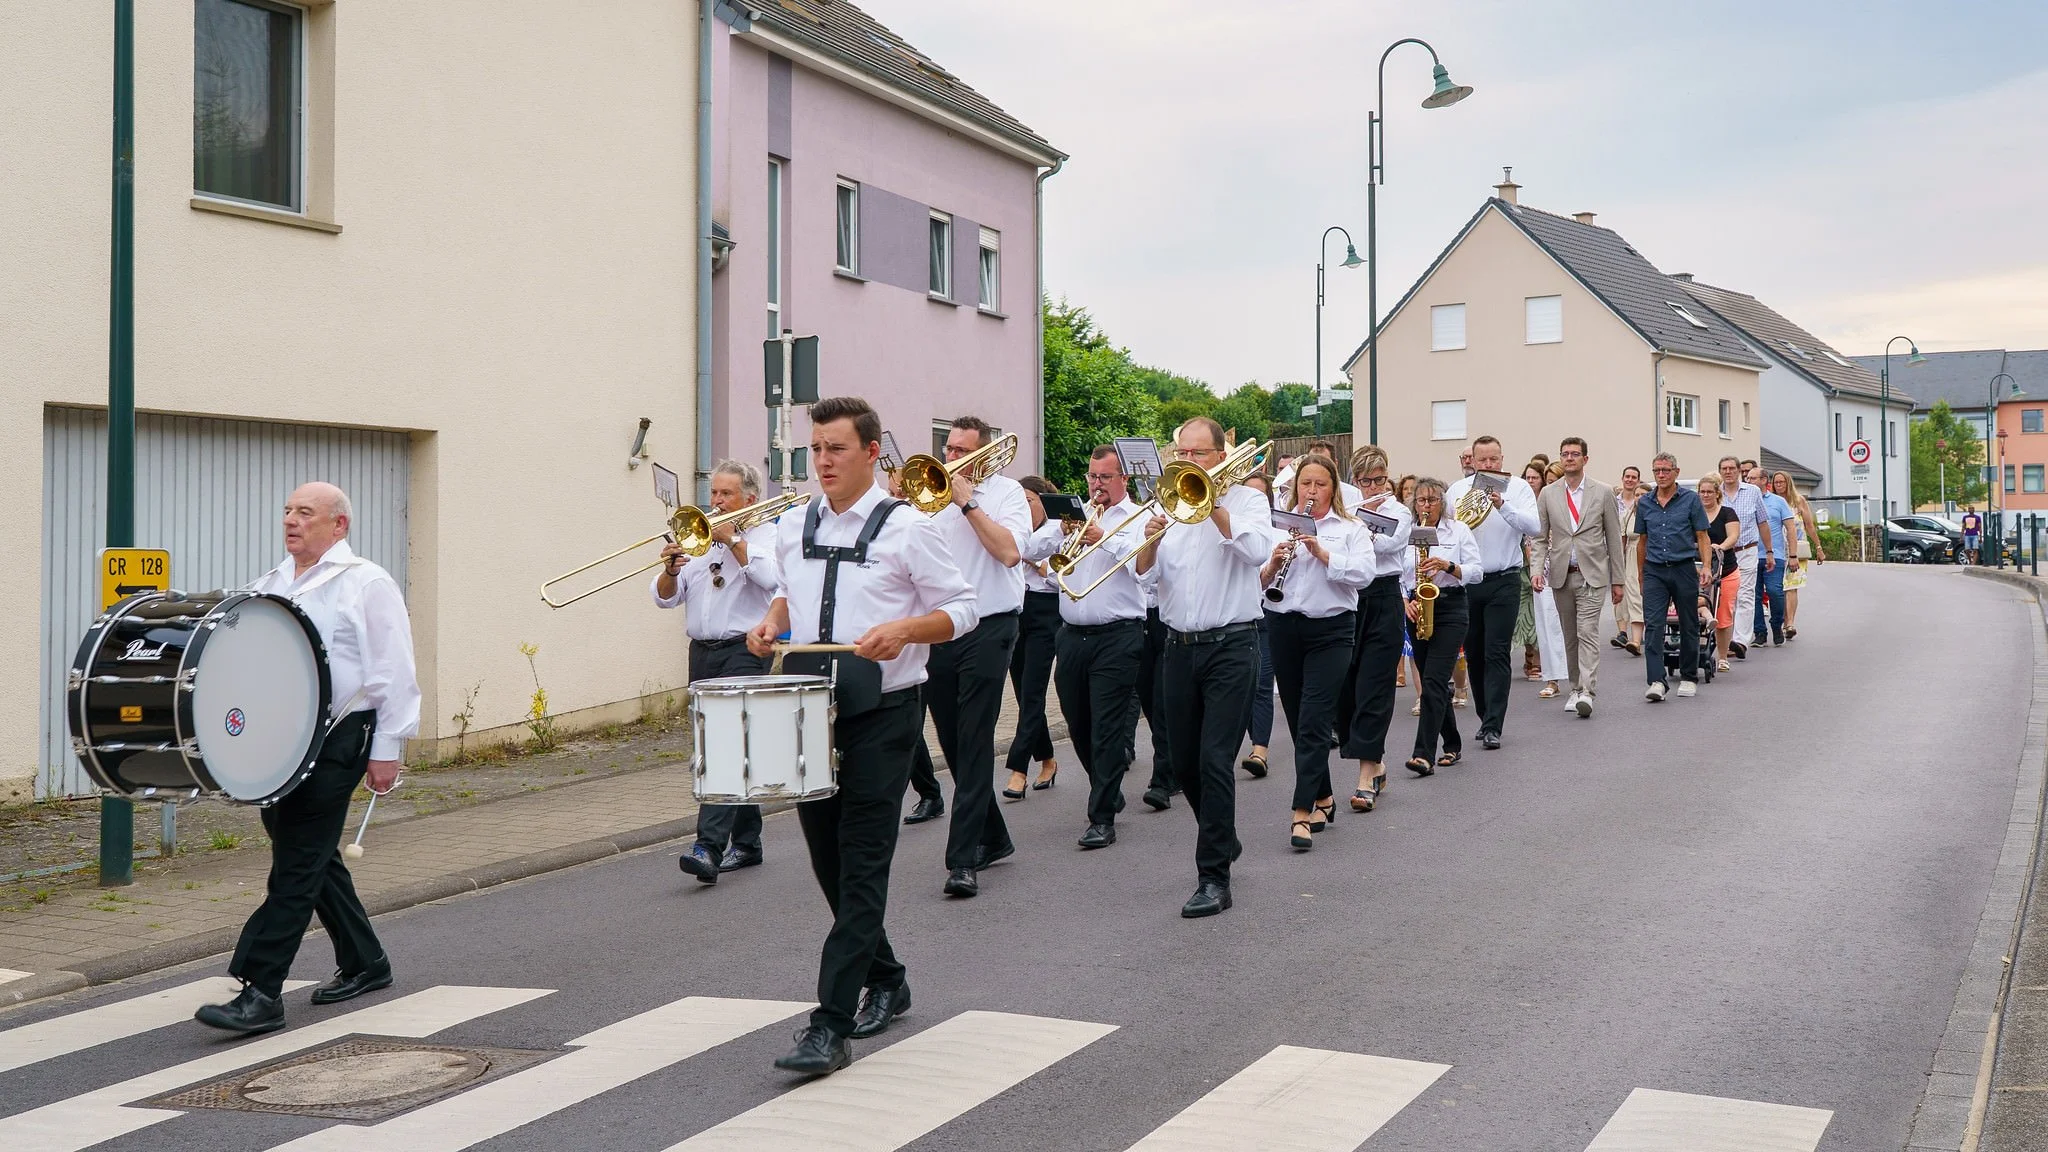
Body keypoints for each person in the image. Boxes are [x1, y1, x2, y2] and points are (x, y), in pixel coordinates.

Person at [745, 395, 976, 1075]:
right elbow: (790, 593)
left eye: (836, 449)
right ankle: (890, 975)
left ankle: (829, 1024)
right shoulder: (792, 525)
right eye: (815, 449)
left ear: (873, 453)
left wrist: (905, 629)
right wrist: (770, 625)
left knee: (864, 864)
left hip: (886, 711)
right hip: (809, 709)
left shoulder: (909, 528)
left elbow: (962, 608)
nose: (823, 461)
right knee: (829, 865)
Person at [195, 483, 420, 1035]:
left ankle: (261, 990)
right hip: (287, 740)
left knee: (297, 859)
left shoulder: (366, 581)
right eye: (288, 512)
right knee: (306, 848)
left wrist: (387, 747)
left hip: (344, 733)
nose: (292, 521)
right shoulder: (271, 583)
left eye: (306, 513)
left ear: (338, 525)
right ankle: (366, 961)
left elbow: (394, 669)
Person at [1134, 418, 1278, 917]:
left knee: (1215, 759)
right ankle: (1223, 836)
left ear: (1222, 455)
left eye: (1199, 455)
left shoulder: (1248, 501)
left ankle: (1213, 876)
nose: (1188, 463)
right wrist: (1151, 537)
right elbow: (1142, 575)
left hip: (1232, 646)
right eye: (1182, 454)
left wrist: (1212, 506)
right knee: (1183, 761)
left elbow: (1258, 551)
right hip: (1178, 646)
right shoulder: (1166, 504)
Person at [657, 460, 781, 885]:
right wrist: (671, 571)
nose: (716, 503)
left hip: (745, 649)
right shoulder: (699, 538)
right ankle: (748, 842)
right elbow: (667, 599)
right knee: (722, 743)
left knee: (727, 742)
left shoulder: (769, 533)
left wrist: (734, 542)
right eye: (714, 494)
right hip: (703, 652)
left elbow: (771, 579)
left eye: (725, 495)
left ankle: (707, 847)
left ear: (749, 498)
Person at [924, 415, 1031, 899]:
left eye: (963, 450)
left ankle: (961, 860)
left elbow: (1008, 553)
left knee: (974, 739)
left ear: (984, 454)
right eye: (948, 450)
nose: (952, 459)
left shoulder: (1006, 495)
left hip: (991, 626)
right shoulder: (930, 496)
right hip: (943, 627)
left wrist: (967, 502)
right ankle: (995, 836)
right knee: (951, 740)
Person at [1261, 455, 1370, 850]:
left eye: (1319, 484)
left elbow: (1363, 575)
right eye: (1305, 483)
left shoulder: (1351, 528)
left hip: (1332, 630)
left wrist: (1324, 553)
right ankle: (1324, 796)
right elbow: (1254, 580)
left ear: (1333, 488)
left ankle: (1301, 813)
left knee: (1313, 720)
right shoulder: (1277, 524)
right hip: (1283, 625)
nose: (1311, 491)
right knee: (1296, 719)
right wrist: (1273, 563)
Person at [1042, 446, 1148, 849]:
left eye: (1104, 477)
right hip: (1071, 635)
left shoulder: (1138, 518)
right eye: (1091, 477)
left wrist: (1102, 539)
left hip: (1118, 635)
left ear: (1123, 479)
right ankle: (1108, 786)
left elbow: (1142, 569)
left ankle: (1101, 817)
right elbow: (1040, 557)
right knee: (1077, 723)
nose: (1096, 485)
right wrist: (1060, 532)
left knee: (1106, 727)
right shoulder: (1075, 514)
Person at [1444, 436, 1541, 751]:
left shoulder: (1518, 488)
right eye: (1482, 460)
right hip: (1467, 580)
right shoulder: (1458, 491)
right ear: (1471, 460)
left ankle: (1493, 724)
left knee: (1496, 652)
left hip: (1505, 578)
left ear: (1502, 458)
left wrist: (1503, 504)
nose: (1488, 466)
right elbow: (1447, 530)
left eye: (1493, 460)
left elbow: (1534, 526)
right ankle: (1486, 715)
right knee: (1473, 652)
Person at [1337, 446, 1412, 812]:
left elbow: (1389, 545)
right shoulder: (1347, 509)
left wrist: (1361, 530)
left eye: (1379, 479)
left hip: (1384, 597)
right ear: (1355, 480)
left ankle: (1366, 776)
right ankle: (1377, 762)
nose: (1372, 487)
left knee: (1375, 687)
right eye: (1365, 481)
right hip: (1351, 597)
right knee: (1345, 685)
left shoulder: (1399, 510)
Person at [1529, 438, 1625, 718]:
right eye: (1565, 454)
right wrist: (1537, 571)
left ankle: (1587, 691)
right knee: (1569, 635)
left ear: (1585, 458)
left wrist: (1617, 579)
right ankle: (1573, 687)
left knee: (1587, 632)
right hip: (1561, 575)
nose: (1569, 458)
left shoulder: (1603, 492)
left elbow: (1614, 539)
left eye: (1575, 454)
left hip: (1591, 575)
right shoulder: (1548, 493)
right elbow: (1539, 539)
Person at [1400, 478, 1482, 776]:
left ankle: (1423, 754)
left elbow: (1477, 571)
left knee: (1433, 681)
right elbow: (1396, 571)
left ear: (1443, 502)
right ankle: (1453, 743)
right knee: (1433, 680)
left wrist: (1447, 565)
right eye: (1421, 500)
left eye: (1432, 500)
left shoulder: (1458, 530)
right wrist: (1403, 601)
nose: (1426, 506)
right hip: (1415, 605)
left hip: (1450, 606)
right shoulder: (1407, 532)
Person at [1003, 477, 1065, 799]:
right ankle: (1048, 759)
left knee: (1033, 691)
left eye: (1028, 500)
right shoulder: (1014, 527)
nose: (1024, 506)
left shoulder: (1057, 529)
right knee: (1023, 692)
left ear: (1042, 501)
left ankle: (1018, 769)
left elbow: (1060, 576)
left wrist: (1037, 564)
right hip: (1019, 611)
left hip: (1046, 612)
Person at [1636, 454, 1711, 701]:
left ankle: (1689, 676)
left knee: (1689, 622)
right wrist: (1640, 575)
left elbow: (1702, 535)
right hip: (1655, 569)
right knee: (1654, 625)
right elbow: (1642, 541)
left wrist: (1707, 567)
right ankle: (1656, 680)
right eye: (1656, 470)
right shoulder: (1645, 502)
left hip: (1683, 567)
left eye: (1665, 470)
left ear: (1676, 472)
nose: (1660, 475)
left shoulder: (1690, 500)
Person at [1237, 474, 1277, 779]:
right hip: (1236, 620)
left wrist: (1274, 566)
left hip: (1266, 617)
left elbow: (1262, 583)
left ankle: (1259, 750)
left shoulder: (1274, 535)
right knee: (1244, 689)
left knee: (1263, 686)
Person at [1718, 455, 1774, 660]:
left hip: (1747, 550)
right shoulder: (1716, 493)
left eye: (1732, 468)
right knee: (1723, 596)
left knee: (1746, 594)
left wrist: (1769, 552)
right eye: (1724, 468)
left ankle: (1740, 641)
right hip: (1722, 553)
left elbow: (1763, 522)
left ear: (1739, 470)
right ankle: (1725, 636)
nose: (1728, 471)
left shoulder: (1752, 492)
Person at [1771, 471, 1823, 639]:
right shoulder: (1770, 501)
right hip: (1777, 550)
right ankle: (1783, 620)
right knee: (1778, 588)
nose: (1779, 485)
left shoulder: (1798, 501)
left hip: (1797, 550)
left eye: (1782, 482)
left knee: (1792, 586)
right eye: (1776, 482)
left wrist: (1818, 547)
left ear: (1788, 483)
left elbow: (1809, 525)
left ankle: (1790, 623)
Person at [1698, 478, 1742, 672]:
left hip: (1726, 570)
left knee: (1724, 612)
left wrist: (1719, 548)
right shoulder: (1694, 514)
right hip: (1698, 569)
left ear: (1717, 493)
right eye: (1702, 491)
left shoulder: (1727, 513)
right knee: (1696, 603)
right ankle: (1696, 649)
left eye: (1709, 491)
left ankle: (1723, 657)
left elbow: (1733, 535)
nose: (1706, 495)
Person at [1752, 477, 1797, 647]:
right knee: (1753, 595)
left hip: (1775, 555)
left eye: (1753, 478)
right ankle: (1759, 632)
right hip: (1750, 555)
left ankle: (1777, 625)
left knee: (1775, 591)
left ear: (1764, 480)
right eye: (1748, 478)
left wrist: (1793, 555)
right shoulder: (1746, 499)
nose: (1749, 480)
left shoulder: (1778, 501)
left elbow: (1791, 528)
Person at [1614, 465, 1646, 655]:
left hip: (1650, 556)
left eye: (1642, 494)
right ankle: (1629, 636)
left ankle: (1638, 637)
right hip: (1631, 556)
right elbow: (1622, 539)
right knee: (1627, 596)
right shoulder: (1627, 514)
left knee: (1639, 596)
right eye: (1637, 495)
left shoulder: (1652, 513)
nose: (1639, 498)